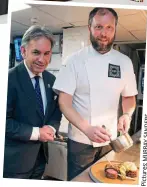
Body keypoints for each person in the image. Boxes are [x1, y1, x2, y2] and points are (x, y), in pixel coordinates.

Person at [53, 7, 138, 181]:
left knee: (106, 180)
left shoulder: (124, 62)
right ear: (89, 28)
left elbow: (129, 97)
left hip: (110, 140)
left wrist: (127, 115)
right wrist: (87, 129)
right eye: (98, 27)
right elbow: (64, 102)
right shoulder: (74, 60)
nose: (104, 33)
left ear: (115, 29)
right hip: (80, 142)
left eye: (109, 28)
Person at [3, 25, 62, 179]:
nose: (42, 60)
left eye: (47, 54)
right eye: (36, 52)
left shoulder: (51, 79)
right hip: (14, 164)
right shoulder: (8, 79)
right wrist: (37, 133)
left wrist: (51, 127)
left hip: (40, 159)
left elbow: (56, 111)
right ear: (23, 52)